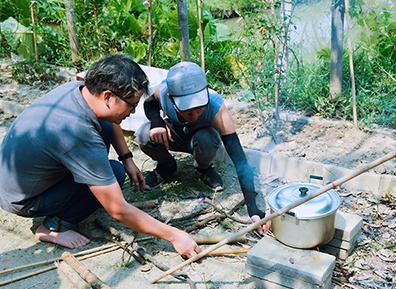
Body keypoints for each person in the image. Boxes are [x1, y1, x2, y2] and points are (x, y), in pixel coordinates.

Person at [0, 55, 201, 257]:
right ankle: (53, 226)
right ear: (108, 96)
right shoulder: (78, 133)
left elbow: (110, 119)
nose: (132, 112)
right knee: (114, 172)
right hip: (24, 200)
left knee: (111, 146)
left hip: (16, 181)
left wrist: (127, 158)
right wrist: (175, 235)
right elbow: (117, 209)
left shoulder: (79, 91)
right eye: (131, 105)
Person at [136, 61, 270, 232]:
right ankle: (167, 167)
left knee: (206, 140)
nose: (194, 115)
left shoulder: (216, 106)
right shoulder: (163, 92)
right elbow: (150, 104)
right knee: (143, 134)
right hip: (174, 135)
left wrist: (253, 208)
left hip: (202, 140)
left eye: (199, 108)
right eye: (188, 110)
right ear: (171, 98)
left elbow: (240, 161)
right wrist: (157, 122)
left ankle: (203, 168)